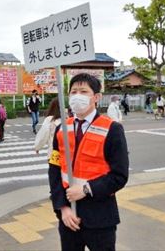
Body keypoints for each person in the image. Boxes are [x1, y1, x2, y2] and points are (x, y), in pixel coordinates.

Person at [49, 73, 129, 251]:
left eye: (84, 91)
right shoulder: (62, 128)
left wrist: (86, 189)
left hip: (100, 218)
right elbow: (54, 171)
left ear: (97, 97)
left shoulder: (112, 129)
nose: (77, 96)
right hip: (69, 218)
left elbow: (119, 176)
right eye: (73, 92)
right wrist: (62, 208)